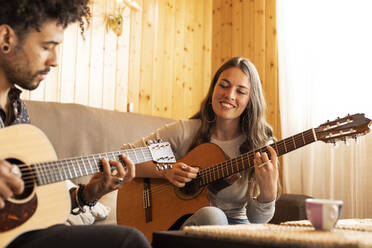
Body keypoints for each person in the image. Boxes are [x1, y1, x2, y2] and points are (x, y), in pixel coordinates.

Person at [0, 0, 150, 247]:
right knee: (128, 241)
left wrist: (90, 193)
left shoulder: (17, 112)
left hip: (20, 237)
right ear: (6, 37)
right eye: (47, 46)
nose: (54, 60)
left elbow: (34, 207)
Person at [122, 57, 280, 227]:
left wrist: (268, 191)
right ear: (213, 89)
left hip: (237, 230)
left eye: (240, 91)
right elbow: (123, 158)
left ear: (250, 100)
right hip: (184, 225)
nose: (229, 95)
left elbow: (258, 220)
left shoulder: (261, 145)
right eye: (223, 85)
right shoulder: (185, 132)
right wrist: (165, 171)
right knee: (212, 216)